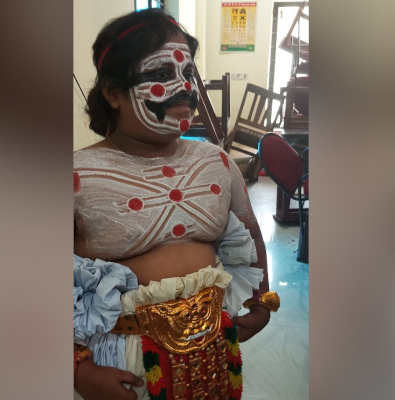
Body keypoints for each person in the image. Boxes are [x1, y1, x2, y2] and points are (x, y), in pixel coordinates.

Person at [73, 10, 278, 400]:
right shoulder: (77, 175)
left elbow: (251, 235)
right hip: (119, 364)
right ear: (112, 93)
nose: (185, 87)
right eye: (163, 74)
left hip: (213, 352)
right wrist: (77, 367)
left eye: (188, 74)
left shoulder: (215, 162)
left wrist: (261, 300)